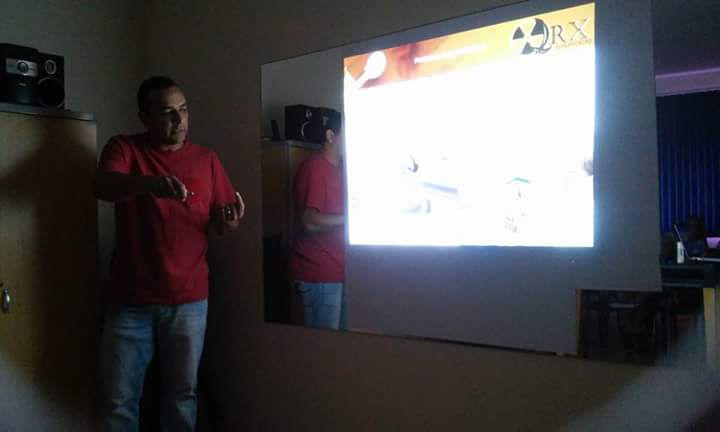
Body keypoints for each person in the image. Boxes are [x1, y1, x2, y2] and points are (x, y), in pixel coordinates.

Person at [95, 76, 244, 431]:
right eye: (167, 113)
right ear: (145, 117)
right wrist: (149, 185)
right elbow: (102, 186)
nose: (179, 121)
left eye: (184, 110)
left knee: (182, 396)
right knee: (118, 401)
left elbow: (218, 221)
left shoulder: (207, 159)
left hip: (189, 300)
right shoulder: (124, 148)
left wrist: (228, 222)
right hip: (131, 300)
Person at [289, 113, 346, 330]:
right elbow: (310, 221)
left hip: (338, 272)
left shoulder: (340, 170)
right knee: (323, 346)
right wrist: (350, 220)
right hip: (319, 275)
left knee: (340, 345)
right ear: (330, 136)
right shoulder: (314, 168)